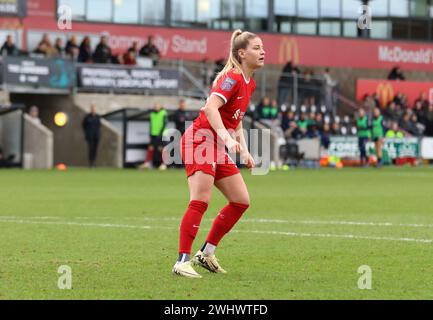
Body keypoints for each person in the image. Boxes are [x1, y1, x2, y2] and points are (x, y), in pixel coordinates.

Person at [172, 29, 265, 278]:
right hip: (200, 140)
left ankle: (206, 253)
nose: (262, 51)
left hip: (217, 145)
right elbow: (211, 108)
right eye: (256, 48)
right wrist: (225, 138)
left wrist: (244, 150)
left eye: (262, 47)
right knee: (201, 200)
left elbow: (237, 121)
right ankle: (182, 261)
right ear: (242, 53)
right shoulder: (231, 77)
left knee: (241, 200)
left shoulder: (249, 83)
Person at [140, 104, 168, 170]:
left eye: (157, 106)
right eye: (155, 106)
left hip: (162, 134)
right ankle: (147, 163)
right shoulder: (152, 114)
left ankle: (163, 164)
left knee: (161, 148)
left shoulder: (163, 113)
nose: (156, 107)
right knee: (150, 148)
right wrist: (150, 133)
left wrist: (160, 133)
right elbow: (151, 124)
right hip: (153, 134)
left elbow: (165, 124)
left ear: (160, 107)